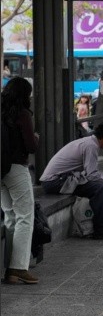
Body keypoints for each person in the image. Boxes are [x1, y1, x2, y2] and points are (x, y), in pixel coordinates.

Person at [40, 122, 103, 240]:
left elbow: (91, 173)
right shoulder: (91, 146)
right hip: (54, 182)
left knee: (96, 186)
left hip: (58, 180)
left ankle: (102, 228)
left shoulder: (89, 142)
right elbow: (92, 175)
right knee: (98, 188)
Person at [1, 77, 40, 284]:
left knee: (10, 217)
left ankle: (7, 267)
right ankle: (18, 267)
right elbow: (31, 146)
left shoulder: (1, 111)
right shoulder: (22, 114)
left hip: (0, 171)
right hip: (16, 168)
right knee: (25, 217)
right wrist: (35, 137)